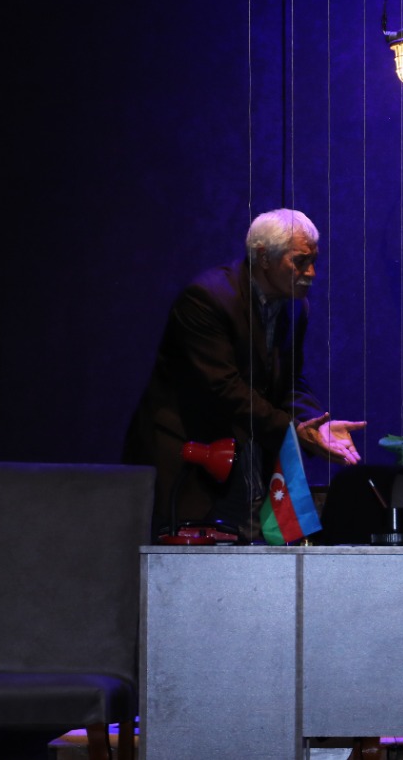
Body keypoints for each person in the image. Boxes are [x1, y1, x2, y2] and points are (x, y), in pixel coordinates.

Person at [122, 208, 365, 539]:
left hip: (244, 461)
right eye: (300, 261)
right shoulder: (206, 299)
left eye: (314, 261)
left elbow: (288, 382)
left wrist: (315, 424)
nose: (311, 272)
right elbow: (224, 388)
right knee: (186, 563)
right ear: (263, 257)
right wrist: (295, 431)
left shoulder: (296, 308)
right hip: (191, 463)